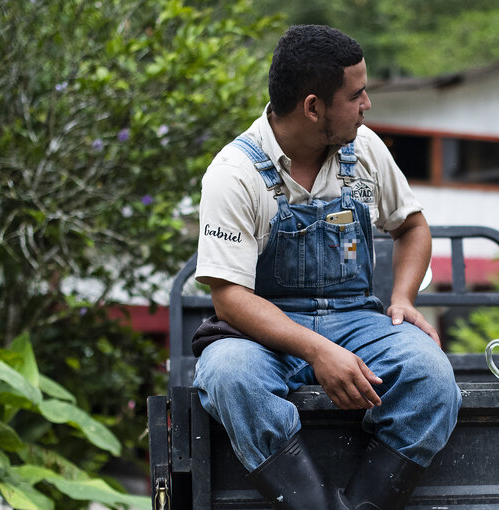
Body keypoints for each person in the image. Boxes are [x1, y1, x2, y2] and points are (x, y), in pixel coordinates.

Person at [190, 25, 462, 510]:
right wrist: (319, 351)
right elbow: (228, 297)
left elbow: (413, 227)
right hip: (264, 328)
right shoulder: (235, 174)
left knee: (432, 378)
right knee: (229, 375)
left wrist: (402, 300)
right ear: (313, 107)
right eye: (356, 95)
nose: (367, 105)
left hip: (358, 320)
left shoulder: (366, 151)